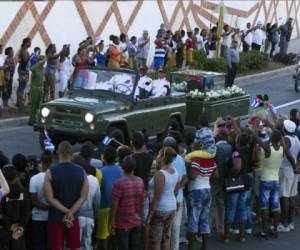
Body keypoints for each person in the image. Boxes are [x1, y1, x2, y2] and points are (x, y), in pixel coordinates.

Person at [44, 141, 89, 250]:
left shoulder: (50, 172)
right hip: (73, 218)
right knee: (74, 247)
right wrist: (71, 213)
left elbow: (49, 198)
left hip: (56, 217)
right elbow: (83, 197)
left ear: (58, 152)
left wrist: (66, 211)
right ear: (72, 154)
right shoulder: (82, 172)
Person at [146, 147, 179, 250]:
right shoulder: (175, 171)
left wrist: (150, 215)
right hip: (172, 207)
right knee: (166, 238)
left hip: (160, 209)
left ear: (163, 157)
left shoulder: (160, 174)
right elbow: (175, 189)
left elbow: (157, 197)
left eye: (159, 155)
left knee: (156, 241)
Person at [109, 155, 145, 250]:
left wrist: (111, 222)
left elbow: (114, 206)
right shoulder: (140, 181)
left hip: (122, 224)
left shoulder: (119, 184)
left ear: (122, 166)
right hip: (136, 221)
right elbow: (142, 202)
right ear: (134, 167)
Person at [223, 133, 251, 243]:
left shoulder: (236, 152)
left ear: (238, 141)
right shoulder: (248, 149)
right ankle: (242, 235)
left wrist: (231, 175)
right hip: (245, 182)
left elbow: (237, 167)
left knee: (231, 207)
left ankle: (226, 236)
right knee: (242, 207)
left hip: (236, 183)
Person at [95, 146, 123, 250]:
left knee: (103, 237)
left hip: (104, 207)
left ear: (103, 158)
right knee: (114, 235)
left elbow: (96, 189)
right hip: (119, 207)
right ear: (116, 158)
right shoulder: (121, 170)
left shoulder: (99, 171)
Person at [162, 136, 187, 250]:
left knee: (166, 231)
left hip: (165, 201)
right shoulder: (180, 159)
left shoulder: (161, 160)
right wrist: (178, 188)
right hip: (178, 199)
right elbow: (185, 178)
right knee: (175, 230)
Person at [72, 155, 101, 250]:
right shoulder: (94, 180)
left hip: (75, 217)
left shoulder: (71, 179)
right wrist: (95, 217)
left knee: (75, 245)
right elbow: (97, 203)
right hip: (89, 217)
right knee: (87, 244)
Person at [0, 165, 31, 250]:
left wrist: (9, 226)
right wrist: (21, 226)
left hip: (3, 231)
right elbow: (26, 211)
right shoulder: (23, 192)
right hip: (18, 231)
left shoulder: (1, 193)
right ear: (16, 177)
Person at [278, 120, 300, 232]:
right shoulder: (296, 138)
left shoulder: (286, 139)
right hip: (294, 169)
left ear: (284, 129)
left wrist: (293, 164)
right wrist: (297, 165)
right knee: (292, 195)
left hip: (286, 169)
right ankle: (291, 222)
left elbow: (286, 152)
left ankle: (283, 223)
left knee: (284, 196)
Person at [210, 127, 232, 235]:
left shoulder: (215, 148)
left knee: (211, 205)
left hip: (214, 179)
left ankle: (208, 228)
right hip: (225, 179)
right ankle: (220, 227)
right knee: (221, 204)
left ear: (218, 136)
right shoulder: (230, 147)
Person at [29, 152, 53, 250]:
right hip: (51, 218)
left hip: (37, 218)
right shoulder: (54, 177)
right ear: (52, 162)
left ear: (41, 162)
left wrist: (45, 207)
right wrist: (51, 207)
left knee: (39, 245)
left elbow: (34, 201)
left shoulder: (34, 179)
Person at [28, 55, 46, 125]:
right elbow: (31, 68)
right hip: (34, 89)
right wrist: (39, 62)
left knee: (38, 106)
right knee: (33, 106)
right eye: (43, 61)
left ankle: (36, 120)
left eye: (44, 61)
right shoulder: (35, 68)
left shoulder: (42, 69)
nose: (44, 62)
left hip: (40, 89)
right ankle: (31, 120)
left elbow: (43, 80)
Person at [17, 37, 31, 109]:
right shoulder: (24, 50)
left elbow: (20, 59)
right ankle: (20, 104)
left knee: (21, 86)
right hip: (23, 70)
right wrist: (30, 57)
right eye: (29, 42)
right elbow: (25, 60)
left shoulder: (23, 49)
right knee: (21, 87)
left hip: (23, 69)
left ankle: (19, 103)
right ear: (26, 43)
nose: (30, 43)